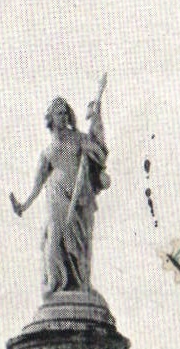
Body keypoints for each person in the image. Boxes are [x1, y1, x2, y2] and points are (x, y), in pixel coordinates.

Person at [10, 80, 109, 296]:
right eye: (59, 113)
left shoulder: (79, 139)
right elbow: (37, 185)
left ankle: (80, 284)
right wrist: (24, 205)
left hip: (79, 198)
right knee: (53, 242)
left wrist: (97, 120)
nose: (63, 117)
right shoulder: (47, 152)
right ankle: (55, 286)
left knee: (80, 244)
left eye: (65, 113)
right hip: (57, 198)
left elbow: (100, 153)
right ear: (50, 118)